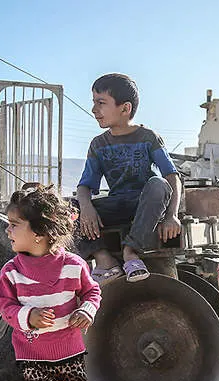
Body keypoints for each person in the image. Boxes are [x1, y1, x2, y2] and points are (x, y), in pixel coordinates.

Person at [0, 183, 113, 381]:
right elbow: (5, 306)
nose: (7, 231)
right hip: (33, 355)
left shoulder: (73, 266)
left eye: (14, 224)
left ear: (40, 233)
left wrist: (87, 309)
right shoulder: (11, 273)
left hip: (70, 353)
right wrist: (27, 316)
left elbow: (92, 291)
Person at [74, 72, 183, 285]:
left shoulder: (148, 137)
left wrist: (172, 216)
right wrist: (85, 207)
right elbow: (84, 185)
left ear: (125, 109)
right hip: (116, 205)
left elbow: (172, 177)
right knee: (68, 209)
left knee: (158, 184)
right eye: (94, 102)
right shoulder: (98, 144)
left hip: (145, 205)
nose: (94, 110)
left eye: (101, 103)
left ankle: (131, 252)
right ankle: (104, 261)